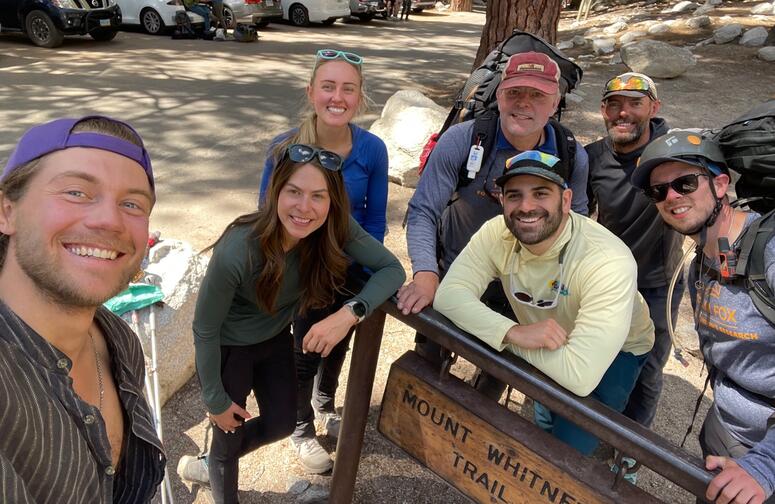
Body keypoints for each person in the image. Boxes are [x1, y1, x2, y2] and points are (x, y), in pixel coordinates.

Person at [179, 143, 405, 504]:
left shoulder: (333, 228)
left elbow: (392, 270)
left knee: (283, 423)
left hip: (274, 340)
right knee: (228, 434)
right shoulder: (238, 249)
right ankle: (221, 461)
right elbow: (204, 329)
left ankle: (216, 462)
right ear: (274, 192)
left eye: (318, 196)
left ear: (332, 201)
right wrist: (214, 399)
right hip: (229, 348)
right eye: (294, 192)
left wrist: (348, 315)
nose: (305, 207)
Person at [433, 149, 654, 455]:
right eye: (514, 195)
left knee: (573, 441)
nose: (526, 207)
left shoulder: (607, 259)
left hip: (616, 349)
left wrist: (505, 337)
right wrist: (512, 332)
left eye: (541, 193)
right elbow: (449, 295)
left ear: (566, 201)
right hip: (541, 334)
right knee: (545, 417)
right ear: (501, 201)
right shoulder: (496, 233)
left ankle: (607, 464)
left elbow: (580, 375)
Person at [398, 51, 590, 400]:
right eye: (515, 93)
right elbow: (424, 209)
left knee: (497, 375)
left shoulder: (572, 153)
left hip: (524, 291)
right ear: (500, 95)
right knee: (428, 365)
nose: (524, 104)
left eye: (537, 95)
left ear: (555, 102)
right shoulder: (463, 140)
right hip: (453, 273)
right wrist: (425, 272)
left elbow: (577, 225)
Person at [0, 116, 165, 503]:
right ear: (6, 211)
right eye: (76, 192)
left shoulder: (118, 339)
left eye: (131, 203)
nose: (109, 220)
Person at [258, 48, 388, 475]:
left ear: (360, 97)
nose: (338, 97)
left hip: (348, 269)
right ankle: (300, 428)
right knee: (303, 350)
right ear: (311, 92)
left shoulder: (372, 149)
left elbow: (374, 219)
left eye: (348, 88)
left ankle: (324, 402)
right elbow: (266, 213)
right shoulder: (284, 148)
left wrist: (364, 280)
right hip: (300, 269)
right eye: (328, 86)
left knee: (338, 343)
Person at [631, 130, 774, 504]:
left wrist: (766, 466)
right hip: (726, 430)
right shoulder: (702, 261)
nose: (671, 197)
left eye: (685, 183)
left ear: (721, 184)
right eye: (658, 191)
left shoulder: (770, 254)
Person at [585, 72, 685, 431]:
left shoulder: (673, 153)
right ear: (603, 110)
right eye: (614, 104)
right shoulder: (592, 158)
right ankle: (590, 429)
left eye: (635, 103)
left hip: (657, 283)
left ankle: (630, 450)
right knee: (599, 354)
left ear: (654, 108)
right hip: (606, 280)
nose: (623, 112)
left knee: (648, 368)